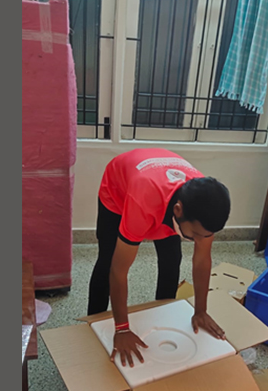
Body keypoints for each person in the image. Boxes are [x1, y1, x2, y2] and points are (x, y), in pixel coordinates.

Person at [88, 148, 231, 368]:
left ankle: (162, 312)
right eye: (196, 235)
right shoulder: (143, 201)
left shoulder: (205, 207)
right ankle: (92, 324)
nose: (200, 240)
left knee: (172, 259)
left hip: (161, 188)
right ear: (178, 210)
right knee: (107, 261)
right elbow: (119, 270)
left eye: (206, 235)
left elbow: (202, 260)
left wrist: (201, 310)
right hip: (119, 190)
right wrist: (122, 329)